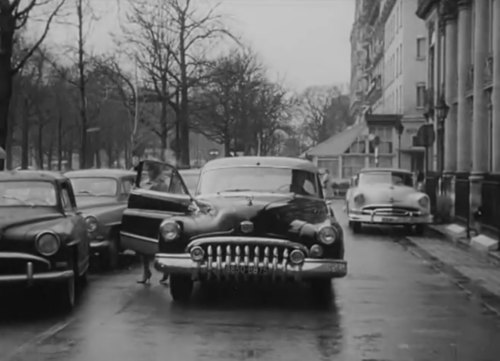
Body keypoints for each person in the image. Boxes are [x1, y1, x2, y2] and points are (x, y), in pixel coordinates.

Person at [137, 162, 169, 285]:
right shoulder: (144, 183)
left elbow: (164, 199)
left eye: (149, 170)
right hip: (146, 215)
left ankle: (166, 270)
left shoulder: (162, 183)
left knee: (161, 245)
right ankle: (146, 271)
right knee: (142, 246)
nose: (148, 173)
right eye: (146, 170)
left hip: (159, 216)